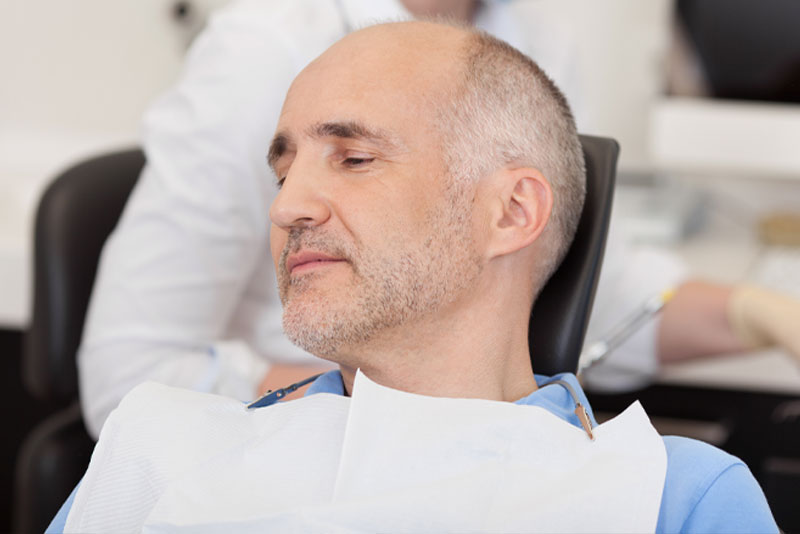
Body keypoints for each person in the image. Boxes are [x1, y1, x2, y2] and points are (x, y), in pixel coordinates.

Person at [51, 21, 776, 533]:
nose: (286, 206)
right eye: (281, 171)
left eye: (354, 159)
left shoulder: (667, 499)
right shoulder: (158, 446)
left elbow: (616, 290)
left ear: (511, 211)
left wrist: (759, 311)